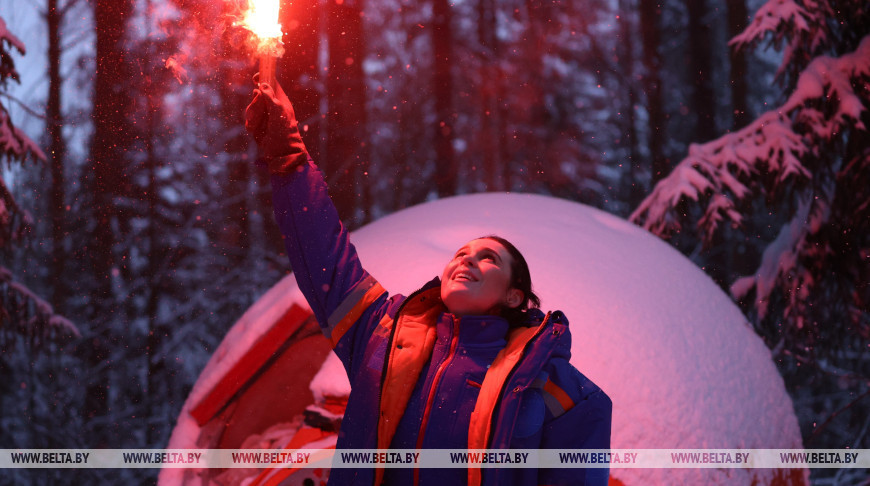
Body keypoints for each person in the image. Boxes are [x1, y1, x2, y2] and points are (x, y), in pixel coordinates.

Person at [245, 80, 612, 486]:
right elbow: (321, 254)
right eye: (461, 253)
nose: (467, 258)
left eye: (488, 258)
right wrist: (289, 157)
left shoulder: (548, 379)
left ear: (514, 295)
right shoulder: (382, 333)